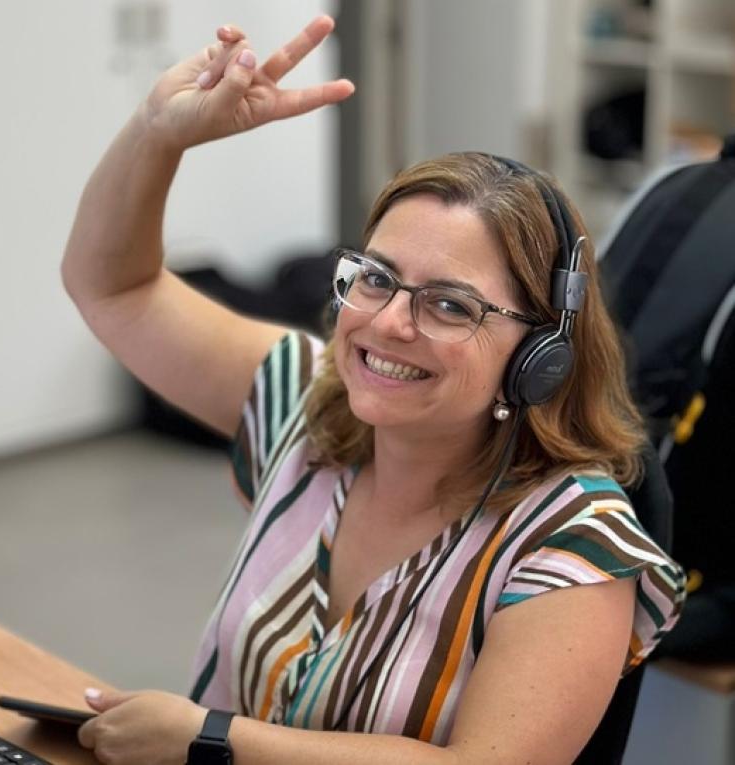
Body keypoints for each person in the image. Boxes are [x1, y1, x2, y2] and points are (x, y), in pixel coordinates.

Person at [61, 15, 685, 765]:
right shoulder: (309, 403)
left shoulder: (576, 544)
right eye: (378, 278)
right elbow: (113, 285)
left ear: (541, 355)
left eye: (450, 304)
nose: (387, 324)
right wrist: (157, 134)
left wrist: (211, 740)